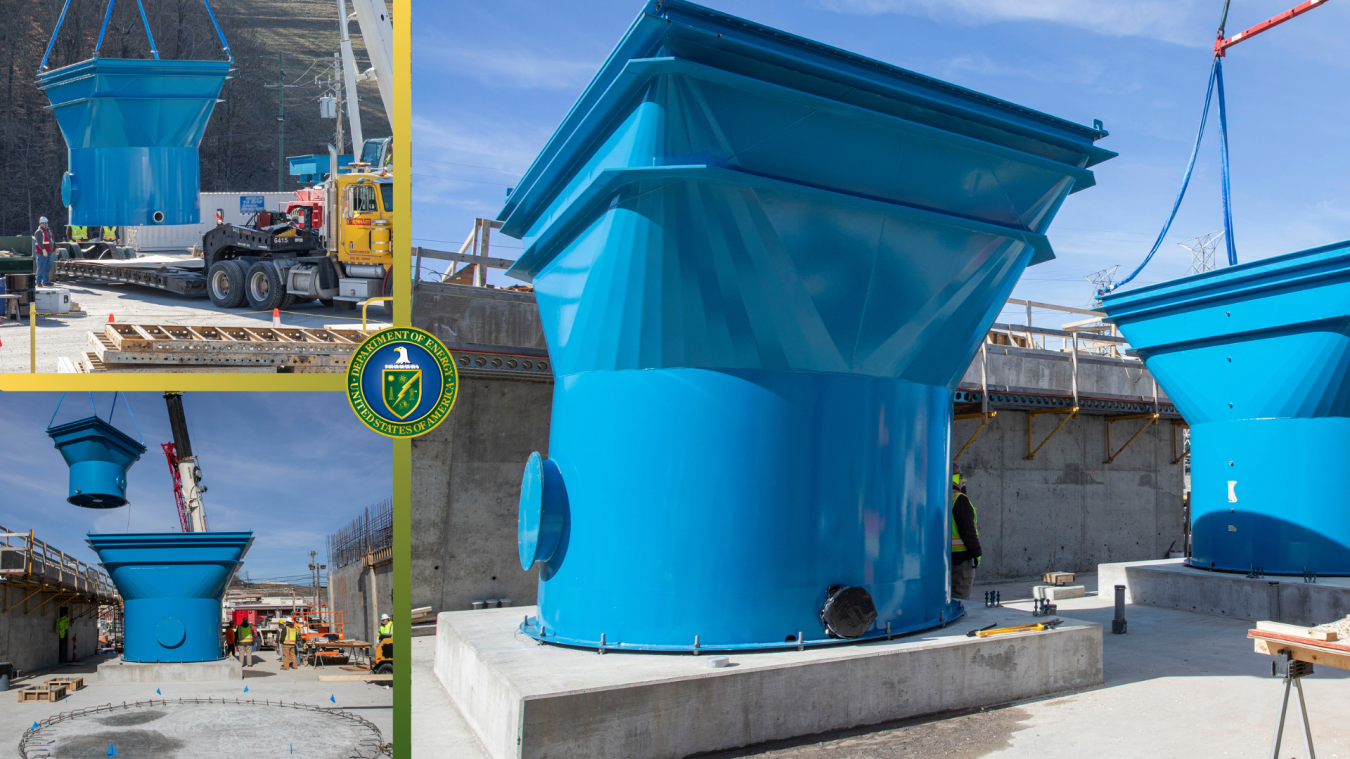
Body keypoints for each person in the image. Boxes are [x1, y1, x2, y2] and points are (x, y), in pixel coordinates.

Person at [950, 463, 982, 600]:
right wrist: (977, 553)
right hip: (961, 560)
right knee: (959, 600)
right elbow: (968, 531)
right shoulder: (959, 499)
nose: (963, 482)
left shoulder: (938, 497)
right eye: (961, 478)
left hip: (943, 558)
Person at [33, 217, 54, 286]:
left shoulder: (48, 231)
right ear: (41, 224)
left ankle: (45, 281)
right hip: (41, 253)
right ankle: (38, 282)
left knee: (47, 268)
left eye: (47, 223)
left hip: (49, 253)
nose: (46, 224)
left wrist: (56, 247)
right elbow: (39, 242)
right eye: (44, 223)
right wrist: (43, 249)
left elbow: (52, 241)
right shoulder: (39, 232)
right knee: (41, 268)